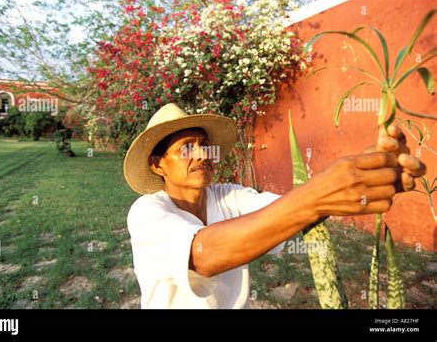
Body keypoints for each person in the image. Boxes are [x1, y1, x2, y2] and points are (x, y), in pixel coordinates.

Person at [124, 103, 426, 309]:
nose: (203, 155)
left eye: (204, 145)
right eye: (186, 148)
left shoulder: (228, 196)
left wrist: (362, 170)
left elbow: (284, 209)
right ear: (157, 165)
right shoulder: (147, 213)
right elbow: (204, 254)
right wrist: (320, 194)